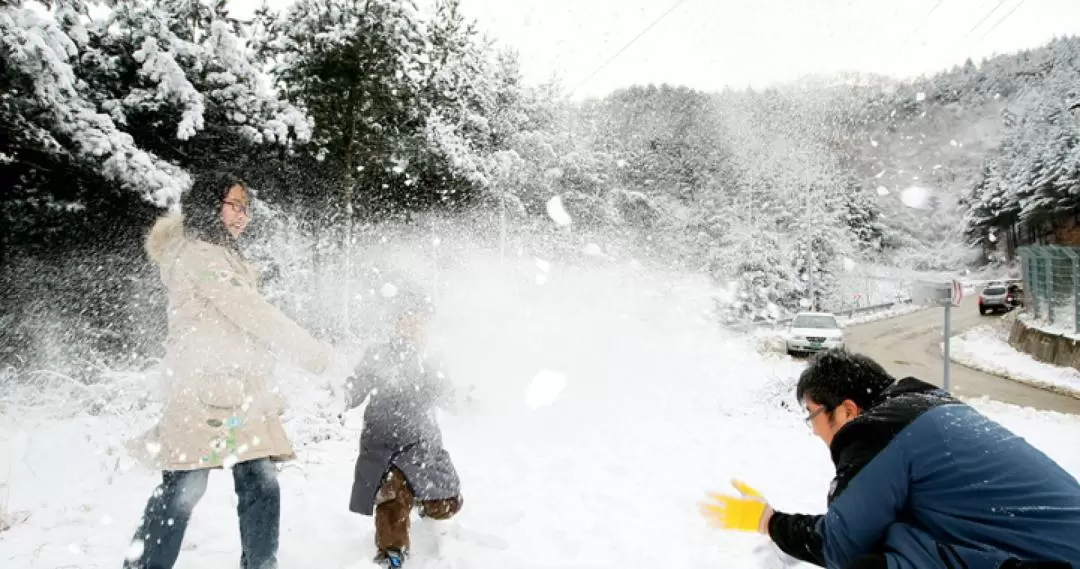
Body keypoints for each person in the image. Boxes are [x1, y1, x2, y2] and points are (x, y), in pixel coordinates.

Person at [123, 172, 334, 569]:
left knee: (259, 484)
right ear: (210, 206)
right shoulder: (199, 257)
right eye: (234, 205)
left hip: (235, 395)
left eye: (246, 207)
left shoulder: (219, 255)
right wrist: (314, 354)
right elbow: (249, 311)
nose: (243, 215)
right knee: (184, 488)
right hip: (204, 395)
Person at [700, 348, 1080, 569]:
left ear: (847, 410)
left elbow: (841, 545)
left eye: (813, 415)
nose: (814, 430)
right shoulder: (928, 408)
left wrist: (768, 522)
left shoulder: (879, 431)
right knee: (899, 539)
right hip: (1053, 550)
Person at [344, 287, 464, 568]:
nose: (415, 327)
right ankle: (391, 552)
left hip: (423, 442)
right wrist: (341, 395)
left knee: (446, 500)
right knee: (392, 498)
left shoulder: (432, 360)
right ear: (395, 323)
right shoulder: (378, 355)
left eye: (421, 321)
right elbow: (357, 384)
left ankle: (427, 507)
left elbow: (447, 393)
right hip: (384, 442)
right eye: (408, 320)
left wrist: (467, 402)